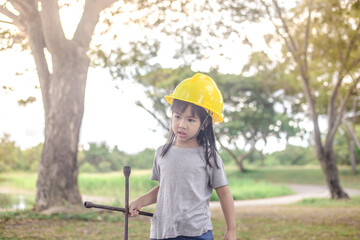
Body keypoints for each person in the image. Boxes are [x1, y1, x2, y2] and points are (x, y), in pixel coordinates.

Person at [129, 73, 237, 240]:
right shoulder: (162, 153)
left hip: (196, 233)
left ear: (205, 124)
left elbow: (224, 193)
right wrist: (140, 201)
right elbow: (165, 189)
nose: (181, 124)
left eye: (191, 120)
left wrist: (231, 230)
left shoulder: (209, 156)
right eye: (177, 117)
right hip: (163, 232)